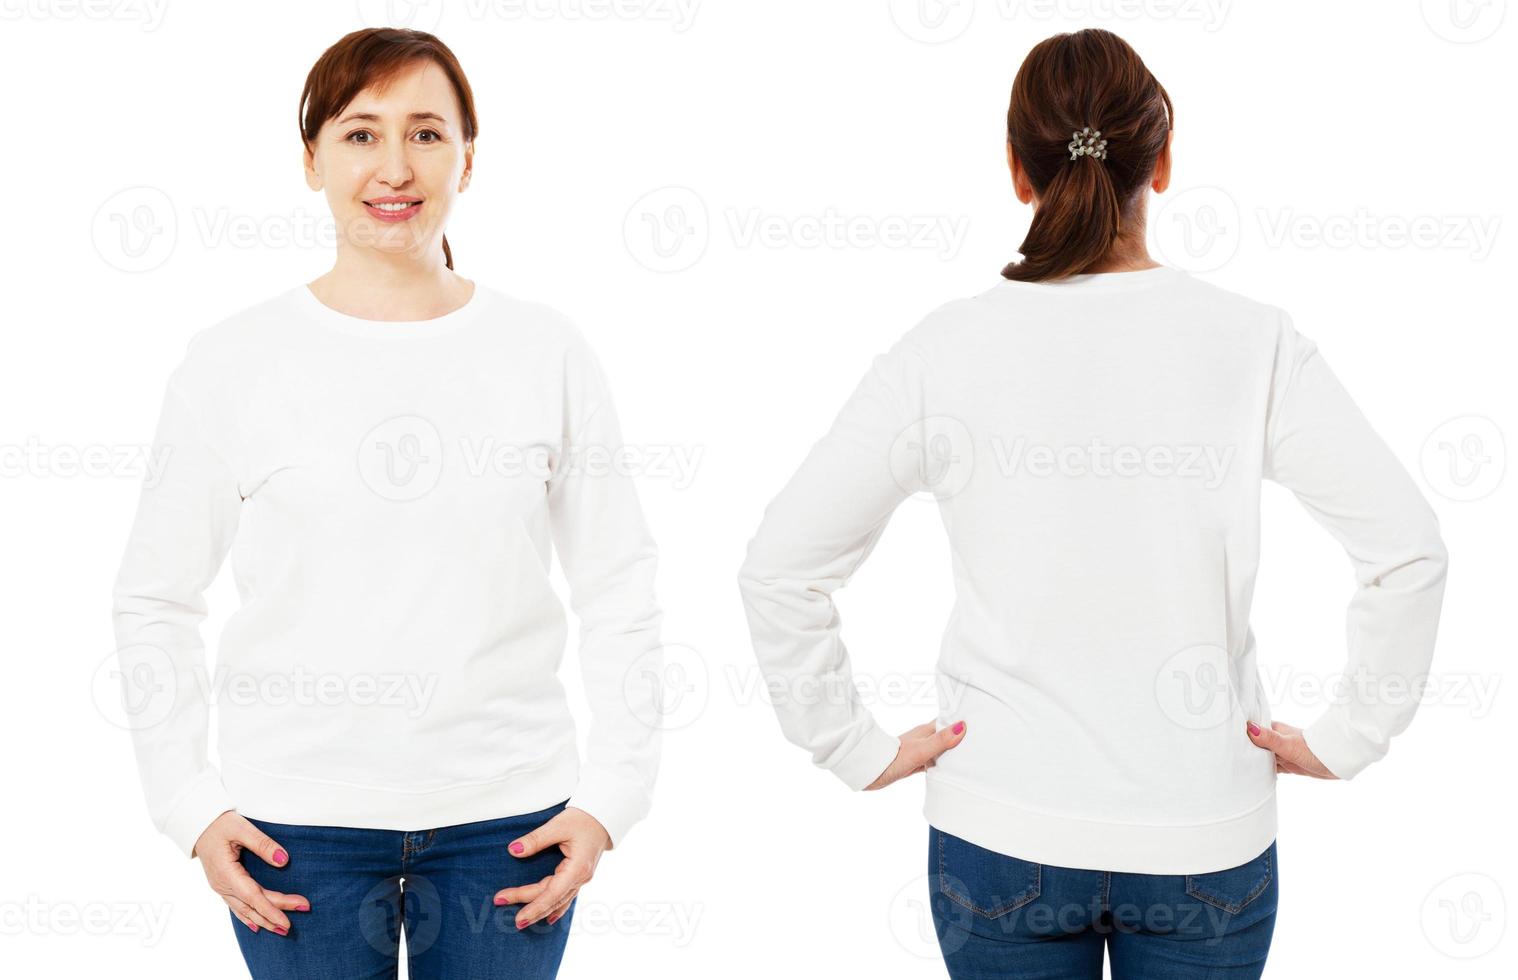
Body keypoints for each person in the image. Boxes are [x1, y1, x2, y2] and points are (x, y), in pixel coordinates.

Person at [735, 28, 1448, 979]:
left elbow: (781, 566)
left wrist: (850, 746)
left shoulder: (942, 352)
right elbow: (1408, 550)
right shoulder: (1252, 343)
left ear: (1016, 172)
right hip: (1204, 842)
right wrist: (1351, 737)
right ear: (1161, 158)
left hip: (1000, 831)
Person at [110, 27, 664, 979]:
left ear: (469, 157)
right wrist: (186, 806)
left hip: (507, 824)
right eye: (361, 134)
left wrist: (615, 797)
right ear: (312, 158)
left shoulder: (546, 351)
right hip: (297, 834)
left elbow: (619, 584)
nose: (395, 167)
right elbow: (155, 596)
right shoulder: (233, 361)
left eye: (427, 133)